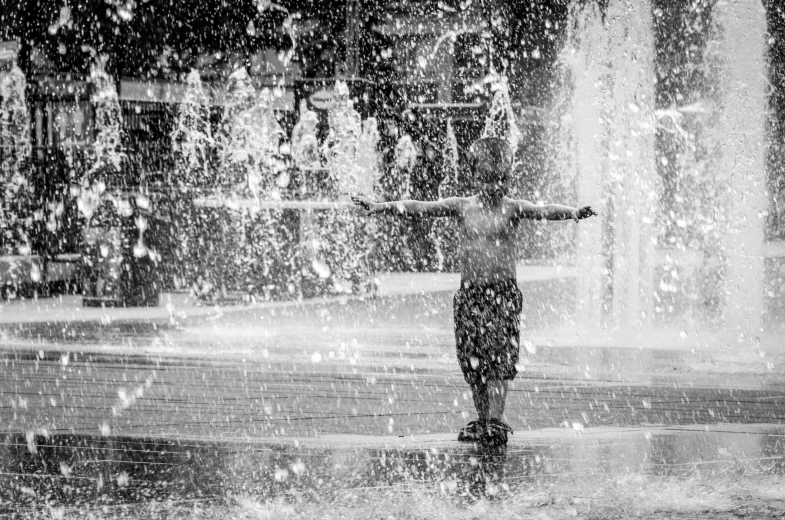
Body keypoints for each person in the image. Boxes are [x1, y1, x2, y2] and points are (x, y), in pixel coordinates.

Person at [352, 137, 597, 445]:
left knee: (499, 358)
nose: (494, 185)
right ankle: (482, 419)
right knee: (473, 360)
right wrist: (380, 207)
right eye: (487, 178)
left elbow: (544, 210)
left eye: (500, 179)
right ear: (474, 176)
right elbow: (421, 207)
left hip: (502, 293)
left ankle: (496, 418)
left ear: (507, 178)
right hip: (470, 294)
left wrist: (573, 213)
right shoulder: (461, 207)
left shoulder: (512, 209)